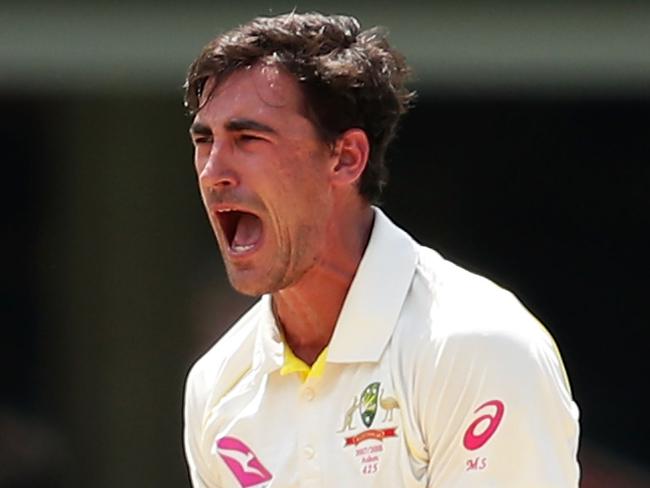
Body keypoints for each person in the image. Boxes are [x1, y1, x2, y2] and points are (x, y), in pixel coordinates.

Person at [182, 12, 580, 487]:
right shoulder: (217, 384)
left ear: (346, 157)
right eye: (205, 141)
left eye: (248, 138)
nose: (213, 172)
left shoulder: (480, 346)